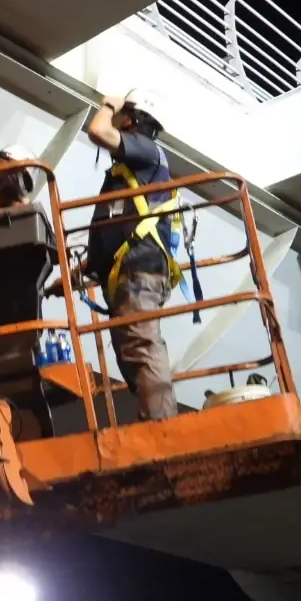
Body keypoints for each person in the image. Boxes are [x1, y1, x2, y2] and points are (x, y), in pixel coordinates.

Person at [83, 89, 180, 421]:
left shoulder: (147, 150)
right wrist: (86, 267)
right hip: (125, 274)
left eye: (120, 113)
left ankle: (162, 426)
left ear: (131, 118)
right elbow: (115, 224)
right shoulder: (128, 171)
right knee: (130, 353)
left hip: (140, 271)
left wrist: (108, 102)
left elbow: (97, 131)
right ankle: (152, 419)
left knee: (140, 346)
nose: (115, 117)